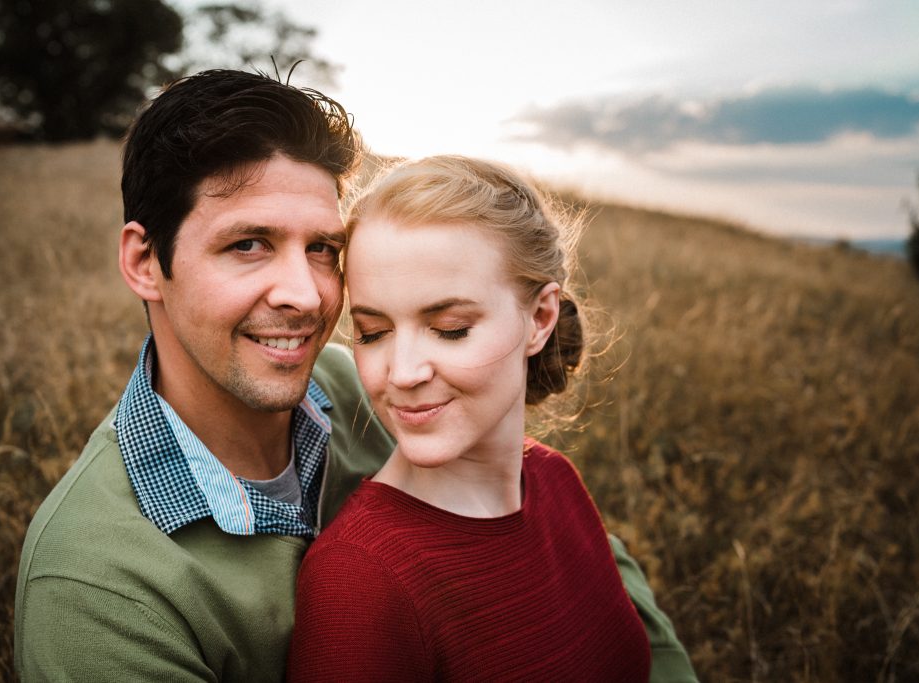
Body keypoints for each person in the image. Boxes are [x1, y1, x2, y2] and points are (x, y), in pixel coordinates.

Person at [15, 69, 692, 681]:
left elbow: (549, 536)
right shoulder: (97, 587)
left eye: (321, 248)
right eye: (247, 244)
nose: (306, 296)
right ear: (143, 261)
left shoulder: (347, 383)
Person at [289, 156, 698, 681]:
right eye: (372, 331)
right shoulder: (360, 580)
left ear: (540, 319)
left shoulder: (556, 480)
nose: (404, 373)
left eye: (451, 328)